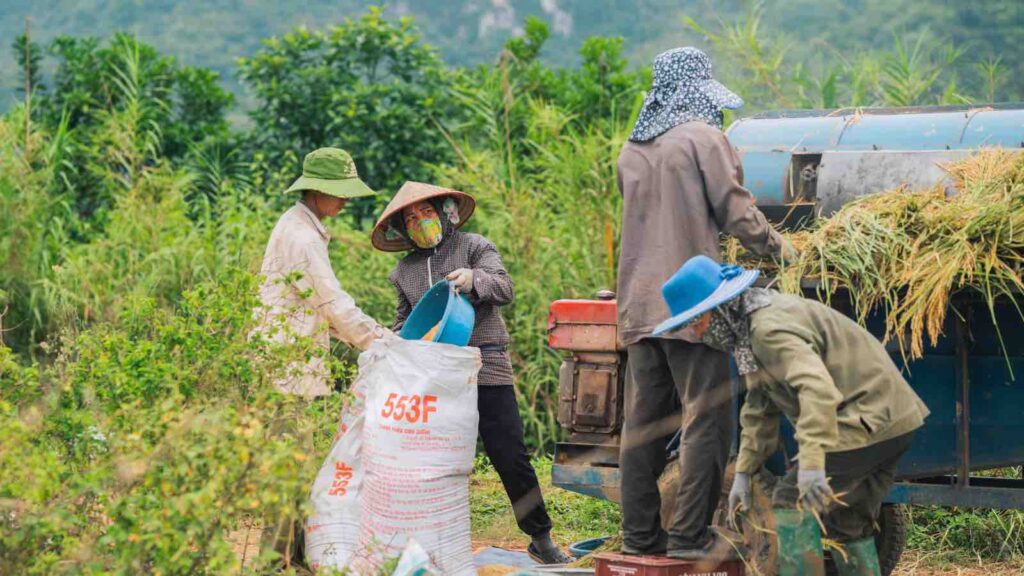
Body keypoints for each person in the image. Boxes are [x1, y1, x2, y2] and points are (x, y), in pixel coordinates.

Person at [615, 46, 794, 559]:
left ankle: (640, 538)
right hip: (693, 307)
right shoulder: (702, 138)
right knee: (707, 419)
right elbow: (737, 211)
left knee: (644, 425)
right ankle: (689, 538)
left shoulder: (633, 150)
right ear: (698, 89)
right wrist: (782, 247)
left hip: (638, 307)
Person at [653, 255, 930, 575]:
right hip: (894, 421)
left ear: (717, 310)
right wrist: (744, 471)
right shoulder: (753, 326)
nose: (697, 332)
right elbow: (760, 405)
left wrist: (812, 464)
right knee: (848, 523)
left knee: (788, 502)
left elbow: (817, 390)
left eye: (696, 322)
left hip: (865, 419)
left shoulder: (767, 330)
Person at [371, 181, 571, 565]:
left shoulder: (474, 247)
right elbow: (405, 322)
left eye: (426, 213)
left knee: (508, 453)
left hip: (486, 364)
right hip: (434, 380)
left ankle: (540, 536)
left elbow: (505, 287)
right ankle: (426, 543)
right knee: (429, 462)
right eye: (411, 219)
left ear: (444, 212)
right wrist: (387, 339)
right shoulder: (404, 272)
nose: (420, 222)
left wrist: (473, 279)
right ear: (402, 229)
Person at [257, 147, 392, 569]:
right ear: (316, 190)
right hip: (286, 371)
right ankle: (272, 564)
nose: (344, 200)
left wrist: (371, 336)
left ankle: (289, 558)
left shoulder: (300, 226)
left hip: (288, 366)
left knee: (294, 467)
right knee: (288, 471)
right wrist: (380, 341)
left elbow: (320, 307)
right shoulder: (301, 238)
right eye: (338, 192)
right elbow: (332, 303)